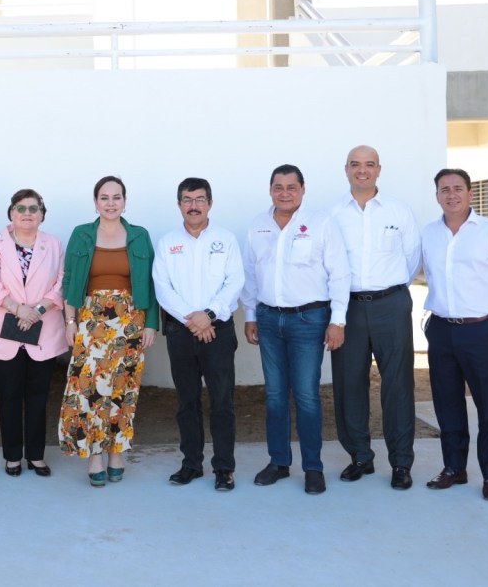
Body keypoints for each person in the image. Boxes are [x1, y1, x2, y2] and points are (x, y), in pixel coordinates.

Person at [241, 164, 349, 495]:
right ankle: (279, 462)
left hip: (308, 319)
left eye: (291, 187)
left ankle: (313, 468)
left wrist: (338, 320)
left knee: (306, 396)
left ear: (302, 190)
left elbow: (340, 273)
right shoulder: (257, 225)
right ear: (270, 190)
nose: (285, 193)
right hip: (268, 319)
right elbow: (250, 273)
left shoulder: (321, 223)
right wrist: (250, 314)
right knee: (274, 395)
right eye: (278, 187)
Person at [421, 168, 488, 502]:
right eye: (444, 189)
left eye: (457, 188)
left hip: (481, 330)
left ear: (470, 193)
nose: (451, 195)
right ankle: (454, 468)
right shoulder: (429, 234)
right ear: (437, 195)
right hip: (441, 330)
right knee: (447, 402)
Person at [329, 146, 421, 490]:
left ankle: (401, 463)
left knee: (397, 385)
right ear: (346, 169)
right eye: (355, 164)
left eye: (369, 165)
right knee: (348, 384)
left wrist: (388, 291)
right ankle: (360, 457)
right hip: (348, 308)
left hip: (390, 305)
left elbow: (412, 258)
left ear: (379, 169)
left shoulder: (399, 210)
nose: (362, 170)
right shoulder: (332, 214)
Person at [59, 175, 159, 487]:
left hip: (130, 321)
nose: (111, 203)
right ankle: (94, 455)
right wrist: (70, 322)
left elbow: (151, 282)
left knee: (123, 389)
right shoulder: (81, 234)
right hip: (91, 322)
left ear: (125, 202)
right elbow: (69, 280)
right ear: (95, 202)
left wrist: (151, 323)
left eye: (117, 197)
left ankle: (117, 452)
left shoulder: (139, 235)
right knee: (89, 389)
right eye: (104, 197)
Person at [152, 178, 244, 492]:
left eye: (200, 199)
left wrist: (209, 315)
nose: (194, 206)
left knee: (222, 402)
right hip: (181, 332)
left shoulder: (226, 240)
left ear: (210, 203)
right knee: (186, 401)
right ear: (179, 204)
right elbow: (163, 288)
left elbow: (234, 282)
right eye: (187, 200)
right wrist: (193, 320)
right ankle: (191, 464)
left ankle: (224, 468)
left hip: (217, 331)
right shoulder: (167, 243)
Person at [0, 189, 68, 477]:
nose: (27, 213)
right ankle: (13, 456)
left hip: (43, 329)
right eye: (21, 208)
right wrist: (19, 309)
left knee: (39, 396)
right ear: (11, 213)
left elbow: (62, 283)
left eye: (33, 208)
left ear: (42, 214)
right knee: (9, 396)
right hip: (6, 330)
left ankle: (36, 456)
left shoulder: (54, 244)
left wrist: (37, 310)